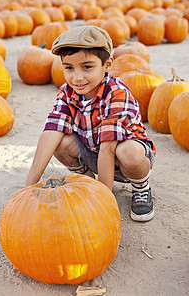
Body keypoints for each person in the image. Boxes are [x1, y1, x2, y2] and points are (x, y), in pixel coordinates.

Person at [26, 25, 156, 222]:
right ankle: (87, 182)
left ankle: (141, 186)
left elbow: (108, 150)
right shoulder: (67, 92)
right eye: (69, 68)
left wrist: (102, 200)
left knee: (128, 152)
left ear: (107, 64)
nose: (77, 77)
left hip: (122, 156)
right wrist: (28, 187)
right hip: (93, 152)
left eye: (87, 67)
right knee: (58, 141)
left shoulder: (116, 93)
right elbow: (50, 132)